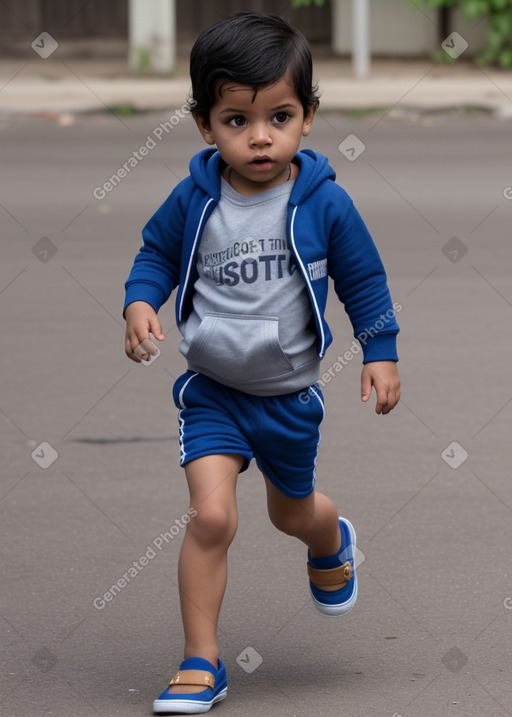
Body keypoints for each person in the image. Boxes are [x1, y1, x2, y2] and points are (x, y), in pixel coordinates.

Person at [123, 11, 401, 715]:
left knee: (292, 513)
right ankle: (199, 661)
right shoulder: (196, 198)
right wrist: (139, 303)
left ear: (308, 118)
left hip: (288, 398)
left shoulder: (324, 203)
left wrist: (381, 352)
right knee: (211, 517)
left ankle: (331, 538)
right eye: (235, 119)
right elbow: (155, 252)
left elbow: (363, 280)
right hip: (213, 391)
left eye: (279, 116)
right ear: (204, 125)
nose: (259, 137)